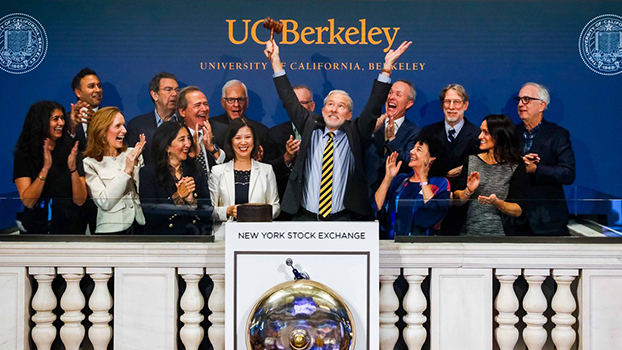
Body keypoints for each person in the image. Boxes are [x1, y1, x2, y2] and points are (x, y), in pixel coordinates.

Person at [264, 38, 411, 220]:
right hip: (304, 218)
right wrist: (275, 61)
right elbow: (289, 99)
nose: (334, 109)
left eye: (341, 106)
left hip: (342, 219)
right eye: (331, 104)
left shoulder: (355, 132)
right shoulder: (310, 126)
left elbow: (373, 106)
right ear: (323, 110)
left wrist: (387, 68)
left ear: (349, 115)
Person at [13, 101, 87, 234]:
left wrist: (73, 169)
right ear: (41, 122)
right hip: (37, 227)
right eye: (55, 119)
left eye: (62, 118)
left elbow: (80, 200)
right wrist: (45, 168)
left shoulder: (71, 150)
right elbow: (28, 202)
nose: (61, 123)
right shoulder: (25, 154)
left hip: (70, 227)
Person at [418, 84, 481, 235]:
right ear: (442, 105)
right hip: (432, 205)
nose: (451, 107)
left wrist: (465, 168)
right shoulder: (428, 132)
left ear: (465, 105)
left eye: (456, 102)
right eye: (447, 102)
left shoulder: (477, 135)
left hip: (463, 210)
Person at [514, 82, 575, 236]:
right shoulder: (510, 133)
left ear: (541, 106)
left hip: (548, 219)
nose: (521, 104)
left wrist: (536, 169)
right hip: (514, 218)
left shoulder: (558, 134)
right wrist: (519, 164)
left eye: (526, 99)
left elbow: (567, 174)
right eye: (519, 99)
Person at [453, 114, 527, 236]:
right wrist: (468, 191)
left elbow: (519, 210)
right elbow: (456, 199)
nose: (479, 136)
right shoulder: (472, 160)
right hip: (468, 234)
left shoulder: (516, 166)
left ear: (499, 135)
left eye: (485, 132)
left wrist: (497, 203)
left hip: (502, 236)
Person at [208, 118, 280, 239]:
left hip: (260, 236)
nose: (243, 142)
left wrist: (257, 214)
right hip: (226, 237)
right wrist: (228, 211)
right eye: (238, 138)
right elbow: (210, 210)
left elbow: (276, 207)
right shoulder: (218, 171)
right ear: (231, 141)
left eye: (247, 137)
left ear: (254, 140)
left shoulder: (266, 170)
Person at [139, 121, 212, 235]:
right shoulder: (149, 173)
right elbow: (150, 215)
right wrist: (177, 197)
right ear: (167, 146)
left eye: (188, 138)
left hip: (194, 237)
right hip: (164, 239)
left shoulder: (196, 169)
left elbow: (208, 212)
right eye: (182, 139)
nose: (188, 144)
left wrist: (192, 202)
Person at [83, 107, 146, 234]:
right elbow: (104, 202)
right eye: (118, 126)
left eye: (123, 125)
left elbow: (143, 192)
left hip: (139, 224)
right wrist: (126, 171)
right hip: (111, 230)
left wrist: (135, 164)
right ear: (102, 132)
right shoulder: (90, 163)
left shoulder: (132, 154)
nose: (124, 130)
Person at [373, 135, 450, 238]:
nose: (411, 151)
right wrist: (388, 177)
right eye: (413, 148)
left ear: (431, 159)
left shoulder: (440, 183)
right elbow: (377, 207)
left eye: (418, 149)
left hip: (423, 248)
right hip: (392, 244)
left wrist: (423, 178)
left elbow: (432, 215)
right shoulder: (400, 180)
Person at [365, 79, 420, 194]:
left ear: (409, 103)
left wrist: (392, 140)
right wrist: (371, 131)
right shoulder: (370, 124)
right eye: (390, 93)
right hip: (366, 192)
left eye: (398, 95)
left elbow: (408, 163)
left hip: (395, 193)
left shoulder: (414, 132)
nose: (391, 97)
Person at [211, 79, 275, 161]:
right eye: (231, 100)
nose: (236, 105)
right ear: (223, 102)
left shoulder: (261, 131)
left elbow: (271, 165)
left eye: (240, 100)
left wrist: (259, 163)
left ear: (247, 102)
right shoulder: (212, 128)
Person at [126, 72, 180, 163]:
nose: (174, 94)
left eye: (177, 90)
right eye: (168, 90)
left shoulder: (184, 122)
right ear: (155, 95)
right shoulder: (137, 125)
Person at [176, 86, 227, 178]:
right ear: (182, 112)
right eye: (197, 105)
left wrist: (212, 149)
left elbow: (231, 166)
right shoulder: (174, 136)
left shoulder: (222, 131)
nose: (204, 109)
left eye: (206, 104)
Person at [70, 67, 103, 151]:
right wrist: (72, 129)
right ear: (78, 93)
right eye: (91, 86)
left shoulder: (111, 118)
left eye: (99, 86)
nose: (98, 90)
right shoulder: (66, 121)